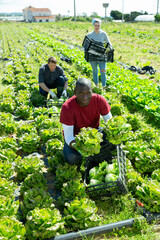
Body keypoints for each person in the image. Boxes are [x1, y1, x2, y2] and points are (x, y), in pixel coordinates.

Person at [60, 77, 113, 166]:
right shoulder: (67, 107)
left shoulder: (99, 100)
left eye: (88, 93)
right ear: (75, 92)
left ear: (92, 91)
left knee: (113, 138)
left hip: (95, 133)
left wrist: (114, 133)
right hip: (75, 138)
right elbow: (69, 137)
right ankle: (85, 157)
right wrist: (83, 148)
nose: (85, 97)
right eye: (81, 93)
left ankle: (97, 155)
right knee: (72, 158)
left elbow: (110, 122)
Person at [85, 18, 113, 89]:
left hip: (101, 55)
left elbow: (108, 42)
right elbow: (86, 45)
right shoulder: (89, 35)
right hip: (92, 56)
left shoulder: (103, 34)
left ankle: (104, 86)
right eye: (95, 25)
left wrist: (111, 48)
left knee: (103, 71)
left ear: (100, 25)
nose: (97, 27)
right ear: (93, 25)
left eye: (98, 25)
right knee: (95, 71)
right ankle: (96, 85)